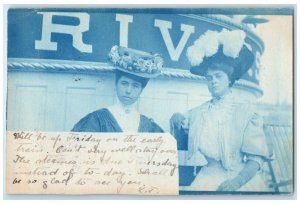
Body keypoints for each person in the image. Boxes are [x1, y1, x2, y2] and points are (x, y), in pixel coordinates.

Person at [170, 29, 271, 191]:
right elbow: (183, 119)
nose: (213, 82)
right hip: (207, 177)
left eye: (218, 76)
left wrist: (237, 183)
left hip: (239, 179)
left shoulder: (245, 112)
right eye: (209, 78)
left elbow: (256, 159)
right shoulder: (199, 113)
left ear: (229, 79)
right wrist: (176, 116)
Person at [72, 45, 164, 133]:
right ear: (116, 84)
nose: (128, 91)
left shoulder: (149, 127)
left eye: (135, 86)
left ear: (141, 90)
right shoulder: (96, 120)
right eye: (124, 83)